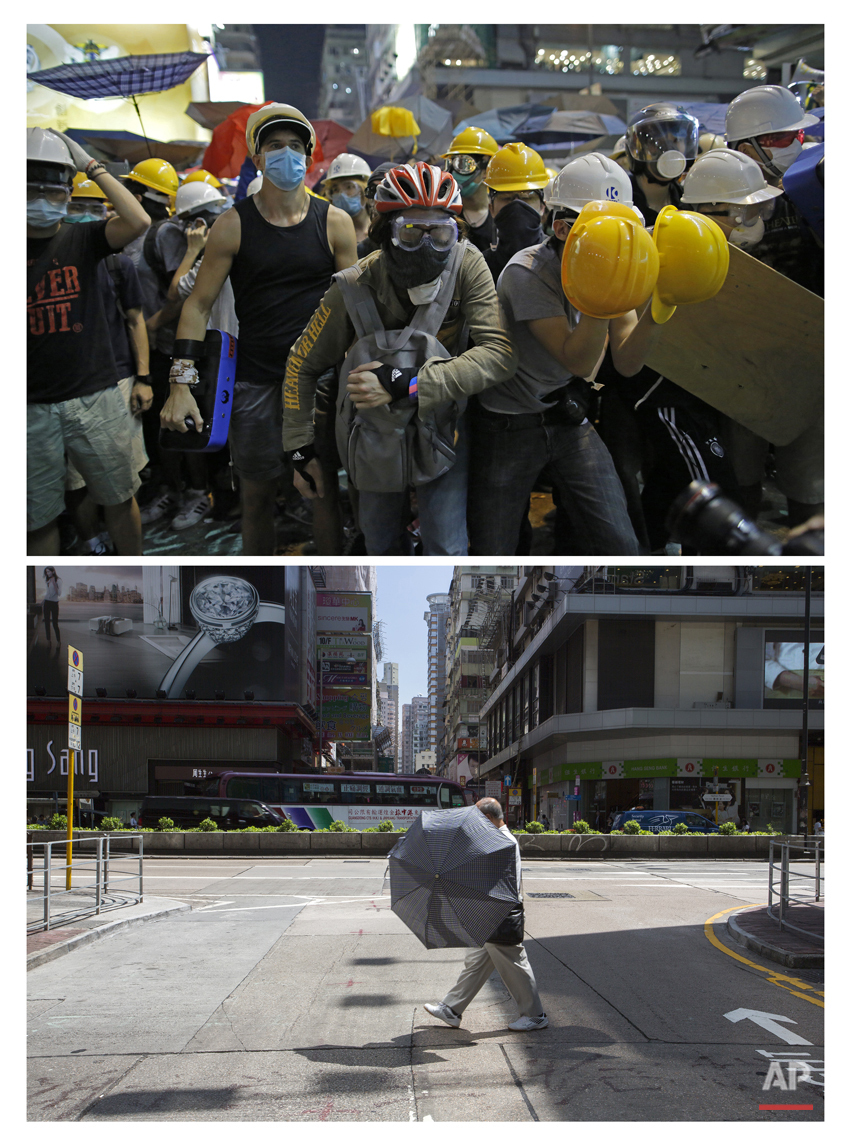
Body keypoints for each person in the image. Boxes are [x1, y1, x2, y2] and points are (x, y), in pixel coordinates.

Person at [282, 161, 517, 556]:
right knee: (379, 540)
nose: (427, 244)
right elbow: (301, 364)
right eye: (410, 232)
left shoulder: (465, 265)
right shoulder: (355, 287)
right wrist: (299, 449)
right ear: (383, 232)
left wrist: (406, 383)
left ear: (455, 232)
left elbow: (499, 353)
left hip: (443, 421)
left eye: (440, 233)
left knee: (445, 541)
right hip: (373, 432)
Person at [160, 103, 358, 554]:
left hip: (319, 384)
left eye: (294, 146)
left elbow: (357, 309)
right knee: (256, 497)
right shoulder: (232, 226)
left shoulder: (335, 223)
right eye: (274, 146)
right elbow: (197, 305)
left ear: (308, 158)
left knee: (323, 494)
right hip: (254, 383)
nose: (286, 155)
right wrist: (181, 384)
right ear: (257, 156)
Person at [467, 153, 661, 556]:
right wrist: (601, 297)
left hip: (563, 416)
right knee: (495, 548)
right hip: (506, 425)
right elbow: (578, 361)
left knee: (620, 542)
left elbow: (627, 362)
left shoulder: (610, 268)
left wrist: (661, 310)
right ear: (561, 228)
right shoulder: (527, 272)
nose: (619, 244)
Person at [27, 128, 150, 556]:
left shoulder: (83, 238)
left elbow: (138, 221)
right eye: (31, 189)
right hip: (28, 407)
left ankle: (136, 577)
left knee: (119, 498)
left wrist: (91, 166)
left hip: (95, 397)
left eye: (52, 189)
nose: (43, 199)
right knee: (37, 518)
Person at [63, 173, 153, 553]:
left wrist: (143, 378)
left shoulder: (118, 265)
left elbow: (135, 321)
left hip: (116, 380)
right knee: (75, 482)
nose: (86, 215)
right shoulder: (44, 261)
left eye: (94, 207)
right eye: (77, 206)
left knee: (121, 479)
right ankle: (92, 540)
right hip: (63, 388)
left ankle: (127, 554)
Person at [423, 797, 548, 1032]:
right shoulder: (496, 839)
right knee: (476, 963)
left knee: (514, 962)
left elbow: (488, 880)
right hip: (491, 911)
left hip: (498, 912)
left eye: (478, 821)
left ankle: (535, 1015)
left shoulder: (500, 842)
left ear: (489, 819)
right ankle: (451, 1009)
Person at [481, 142, 549, 283]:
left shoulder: (561, 261)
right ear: (491, 209)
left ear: (543, 207)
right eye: (507, 198)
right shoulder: (480, 269)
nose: (517, 206)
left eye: (527, 198)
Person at [440, 126, 500, 253]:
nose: (453, 173)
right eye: (450, 164)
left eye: (463, 164)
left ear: (486, 171)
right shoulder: (445, 215)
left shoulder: (500, 217)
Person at [323, 153, 372, 244]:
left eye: (349, 187)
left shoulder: (381, 230)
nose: (341, 195)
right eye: (335, 189)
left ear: (365, 190)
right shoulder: (329, 236)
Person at [42, 566, 62, 649]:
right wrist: (43, 601)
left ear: (53, 571)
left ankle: (58, 641)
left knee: (54, 623)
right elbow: (48, 593)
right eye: (46, 572)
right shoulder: (47, 580)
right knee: (46, 622)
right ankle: (48, 641)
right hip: (47, 603)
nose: (48, 573)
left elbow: (59, 593)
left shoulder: (59, 580)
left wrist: (54, 583)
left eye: (49, 571)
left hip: (54, 603)